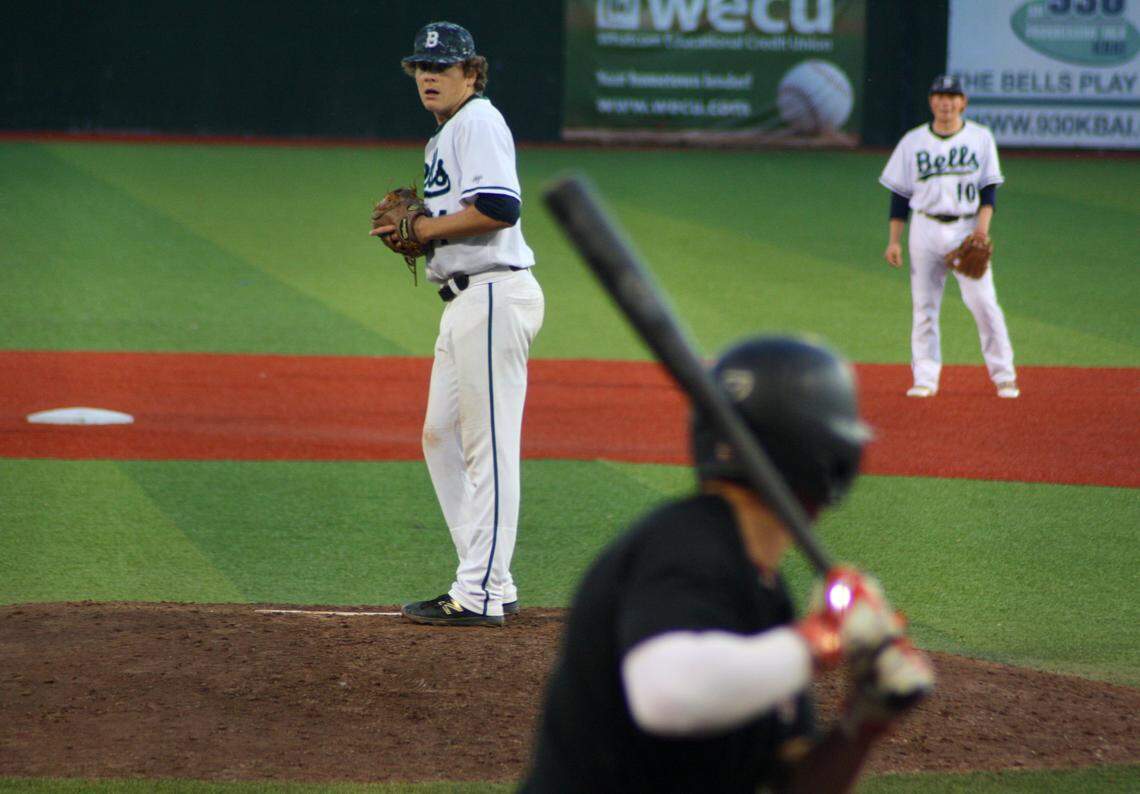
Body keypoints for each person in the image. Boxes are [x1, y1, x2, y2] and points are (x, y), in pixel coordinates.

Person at [521, 336, 934, 793]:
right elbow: (665, 695)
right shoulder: (683, 544)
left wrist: (862, 723)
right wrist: (826, 637)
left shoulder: (764, 594)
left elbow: (791, 784)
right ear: (829, 454)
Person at [371, 21, 544, 627]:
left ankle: (478, 594)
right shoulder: (445, 135)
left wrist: (423, 229)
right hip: (466, 302)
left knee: (488, 448)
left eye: (442, 68)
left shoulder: (478, 122)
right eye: (421, 67)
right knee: (440, 436)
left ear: (472, 72)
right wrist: (425, 231)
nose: (428, 77)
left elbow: (500, 209)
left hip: (495, 294)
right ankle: (493, 578)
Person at [880, 75, 1019, 399]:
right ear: (931, 102)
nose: (946, 102)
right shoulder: (912, 141)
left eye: (952, 96)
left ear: (963, 102)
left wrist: (981, 230)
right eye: (940, 96)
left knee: (984, 303)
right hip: (924, 227)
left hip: (966, 227)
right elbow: (900, 195)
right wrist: (894, 240)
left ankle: (1005, 376)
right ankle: (925, 378)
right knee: (924, 306)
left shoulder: (980, 138)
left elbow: (989, 191)